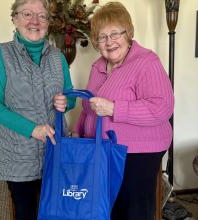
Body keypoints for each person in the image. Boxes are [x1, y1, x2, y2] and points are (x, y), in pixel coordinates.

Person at [73, 2, 174, 220]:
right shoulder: (98, 66)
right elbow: (88, 107)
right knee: (110, 208)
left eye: (115, 33)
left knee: (133, 210)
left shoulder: (146, 62)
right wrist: (77, 131)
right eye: (102, 37)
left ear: (128, 33)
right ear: (96, 42)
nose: (109, 42)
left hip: (138, 151)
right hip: (103, 150)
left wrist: (114, 109)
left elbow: (162, 107)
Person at [0, 0, 75, 219]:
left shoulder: (58, 57)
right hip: (17, 158)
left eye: (42, 16)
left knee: (58, 212)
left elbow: (70, 96)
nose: (35, 21)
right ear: (14, 18)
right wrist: (32, 129)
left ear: (48, 22)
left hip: (54, 152)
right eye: (27, 14)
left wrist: (66, 101)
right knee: (26, 213)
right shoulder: (1, 55)